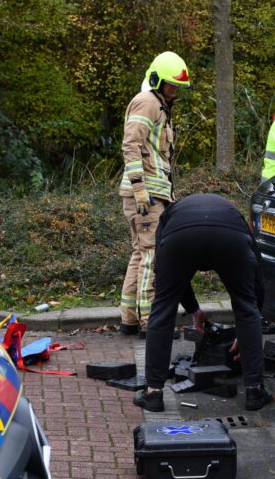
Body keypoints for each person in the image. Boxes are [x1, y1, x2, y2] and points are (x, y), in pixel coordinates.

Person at [132, 193, 273, 412]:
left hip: (180, 238)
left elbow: (168, 281)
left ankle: (153, 394)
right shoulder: (233, 214)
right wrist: (246, 330)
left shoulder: (169, 216)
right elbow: (256, 285)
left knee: (162, 310)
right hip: (230, 237)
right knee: (247, 307)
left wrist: (193, 309)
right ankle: (255, 390)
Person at [118, 51, 191, 337]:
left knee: (140, 254)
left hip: (149, 193)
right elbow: (131, 146)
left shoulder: (157, 105)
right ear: (156, 80)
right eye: (171, 85)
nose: (175, 91)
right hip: (145, 195)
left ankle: (129, 319)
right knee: (151, 255)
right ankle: (152, 324)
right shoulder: (147, 102)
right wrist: (139, 189)